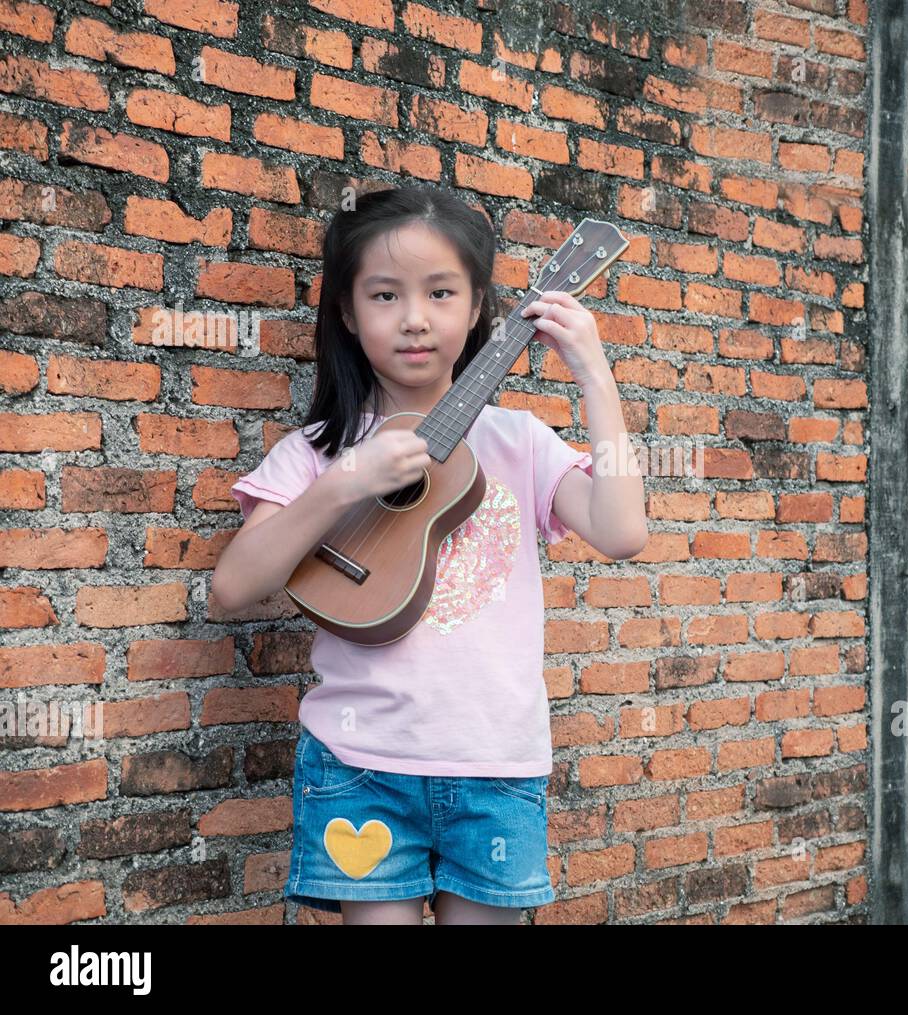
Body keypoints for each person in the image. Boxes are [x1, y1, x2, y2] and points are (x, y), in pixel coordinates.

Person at [211, 185, 648, 924]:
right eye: (385, 295)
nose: (414, 318)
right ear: (348, 313)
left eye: (441, 292)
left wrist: (594, 374)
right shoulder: (315, 452)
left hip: (495, 769)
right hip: (363, 766)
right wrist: (344, 483)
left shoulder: (519, 442)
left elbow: (622, 529)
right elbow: (233, 587)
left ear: (477, 306)